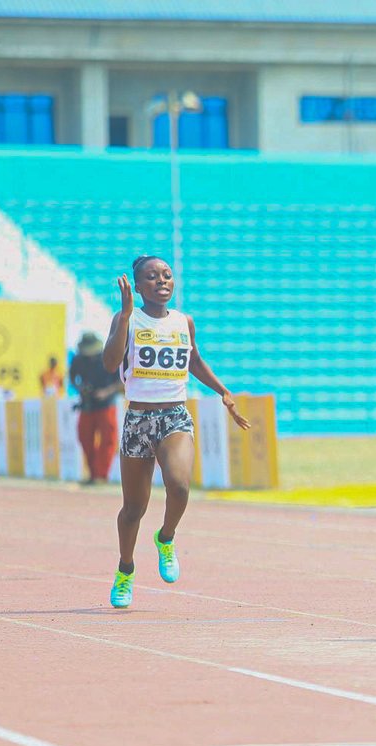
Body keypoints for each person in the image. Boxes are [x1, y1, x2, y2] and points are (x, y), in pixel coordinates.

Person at [102, 255, 250, 609]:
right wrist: (124, 316)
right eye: (152, 277)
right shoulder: (128, 319)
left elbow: (194, 359)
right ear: (138, 287)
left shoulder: (184, 321)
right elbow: (110, 363)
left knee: (180, 486)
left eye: (167, 275)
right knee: (133, 510)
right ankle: (125, 571)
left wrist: (223, 391)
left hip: (174, 416)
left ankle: (166, 537)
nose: (162, 281)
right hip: (138, 419)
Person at [68, 332, 122, 484]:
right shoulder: (78, 359)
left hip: (106, 405)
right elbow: (72, 377)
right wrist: (80, 388)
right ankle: (93, 474)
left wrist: (106, 392)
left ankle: (101, 475)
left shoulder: (108, 357)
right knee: (85, 438)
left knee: (108, 440)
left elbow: (120, 381)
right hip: (87, 404)